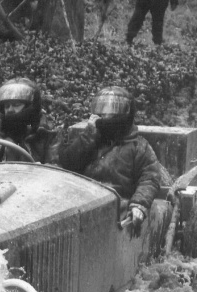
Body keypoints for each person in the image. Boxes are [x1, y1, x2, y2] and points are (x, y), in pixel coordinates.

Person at [58, 86, 171, 231]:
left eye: (111, 111)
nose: (105, 116)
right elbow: (68, 164)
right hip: (85, 201)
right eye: (101, 111)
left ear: (126, 113)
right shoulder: (90, 141)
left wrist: (139, 205)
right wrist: (89, 135)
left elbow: (150, 178)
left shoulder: (138, 146)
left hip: (119, 204)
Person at [0, 78, 60, 166]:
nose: (10, 110)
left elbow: (56, 170)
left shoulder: (47, 137)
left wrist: (43, 169)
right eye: (6, 106)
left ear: (31, 107)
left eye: (16, 105)